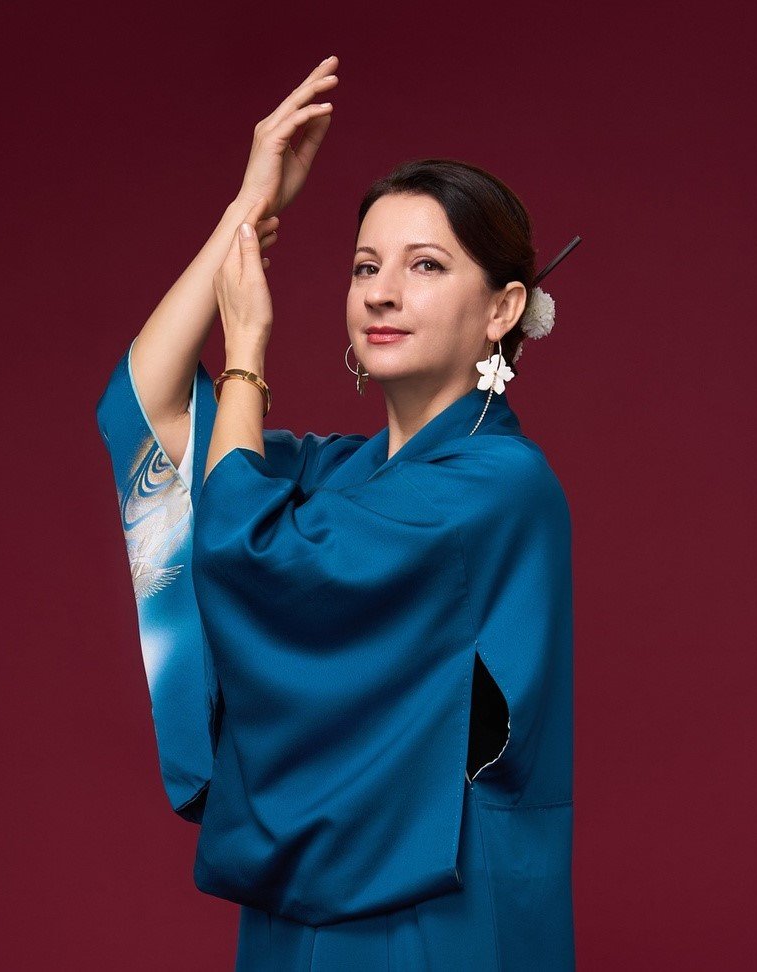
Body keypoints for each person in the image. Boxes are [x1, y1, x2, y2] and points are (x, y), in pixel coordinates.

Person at [95, 54, 579, 970]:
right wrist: (247, 209)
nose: (381, 292)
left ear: (502, 309)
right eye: (365, 266)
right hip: (307, 901)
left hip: (435, 908)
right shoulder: (336, 475)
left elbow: (250, 550)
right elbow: (150, 409)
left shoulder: (499, 484)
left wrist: (246, 351)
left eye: (425, 265)